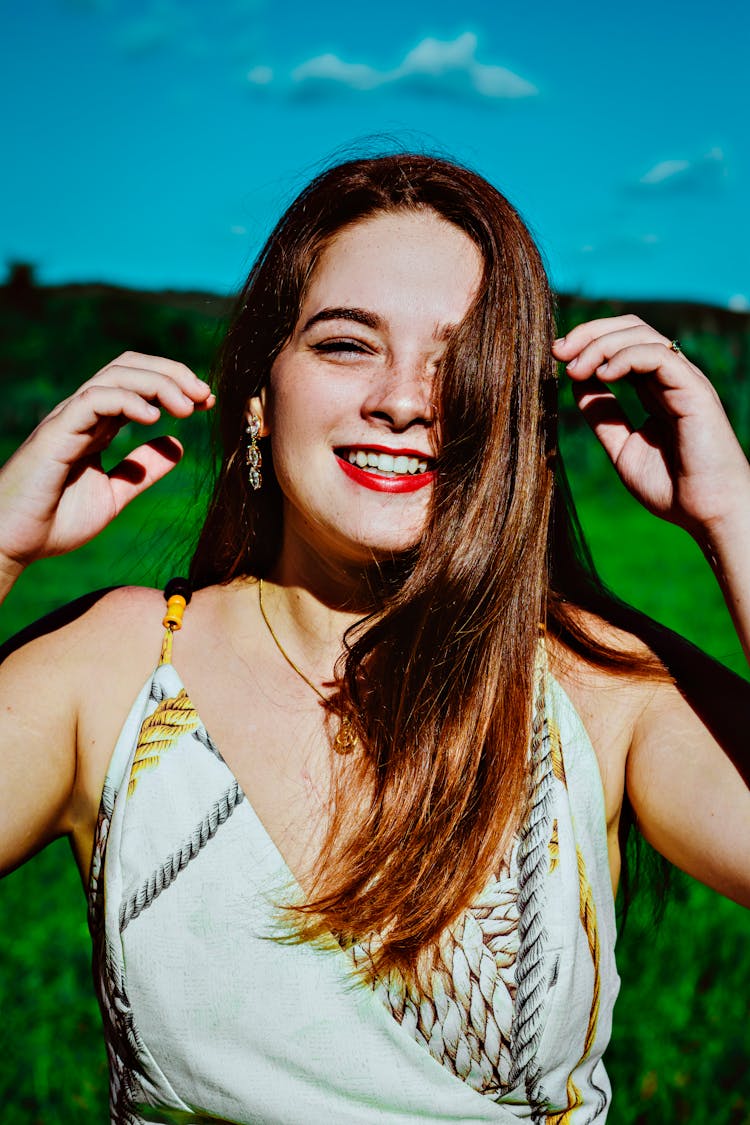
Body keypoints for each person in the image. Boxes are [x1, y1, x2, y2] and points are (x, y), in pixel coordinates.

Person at [0, 153, 748, 1124]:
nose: (403, 398)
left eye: (456, 358)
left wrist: (734, 514)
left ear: (513, 410)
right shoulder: (114, 671)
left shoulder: (598, 689)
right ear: (260, 392)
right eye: (347, 344)